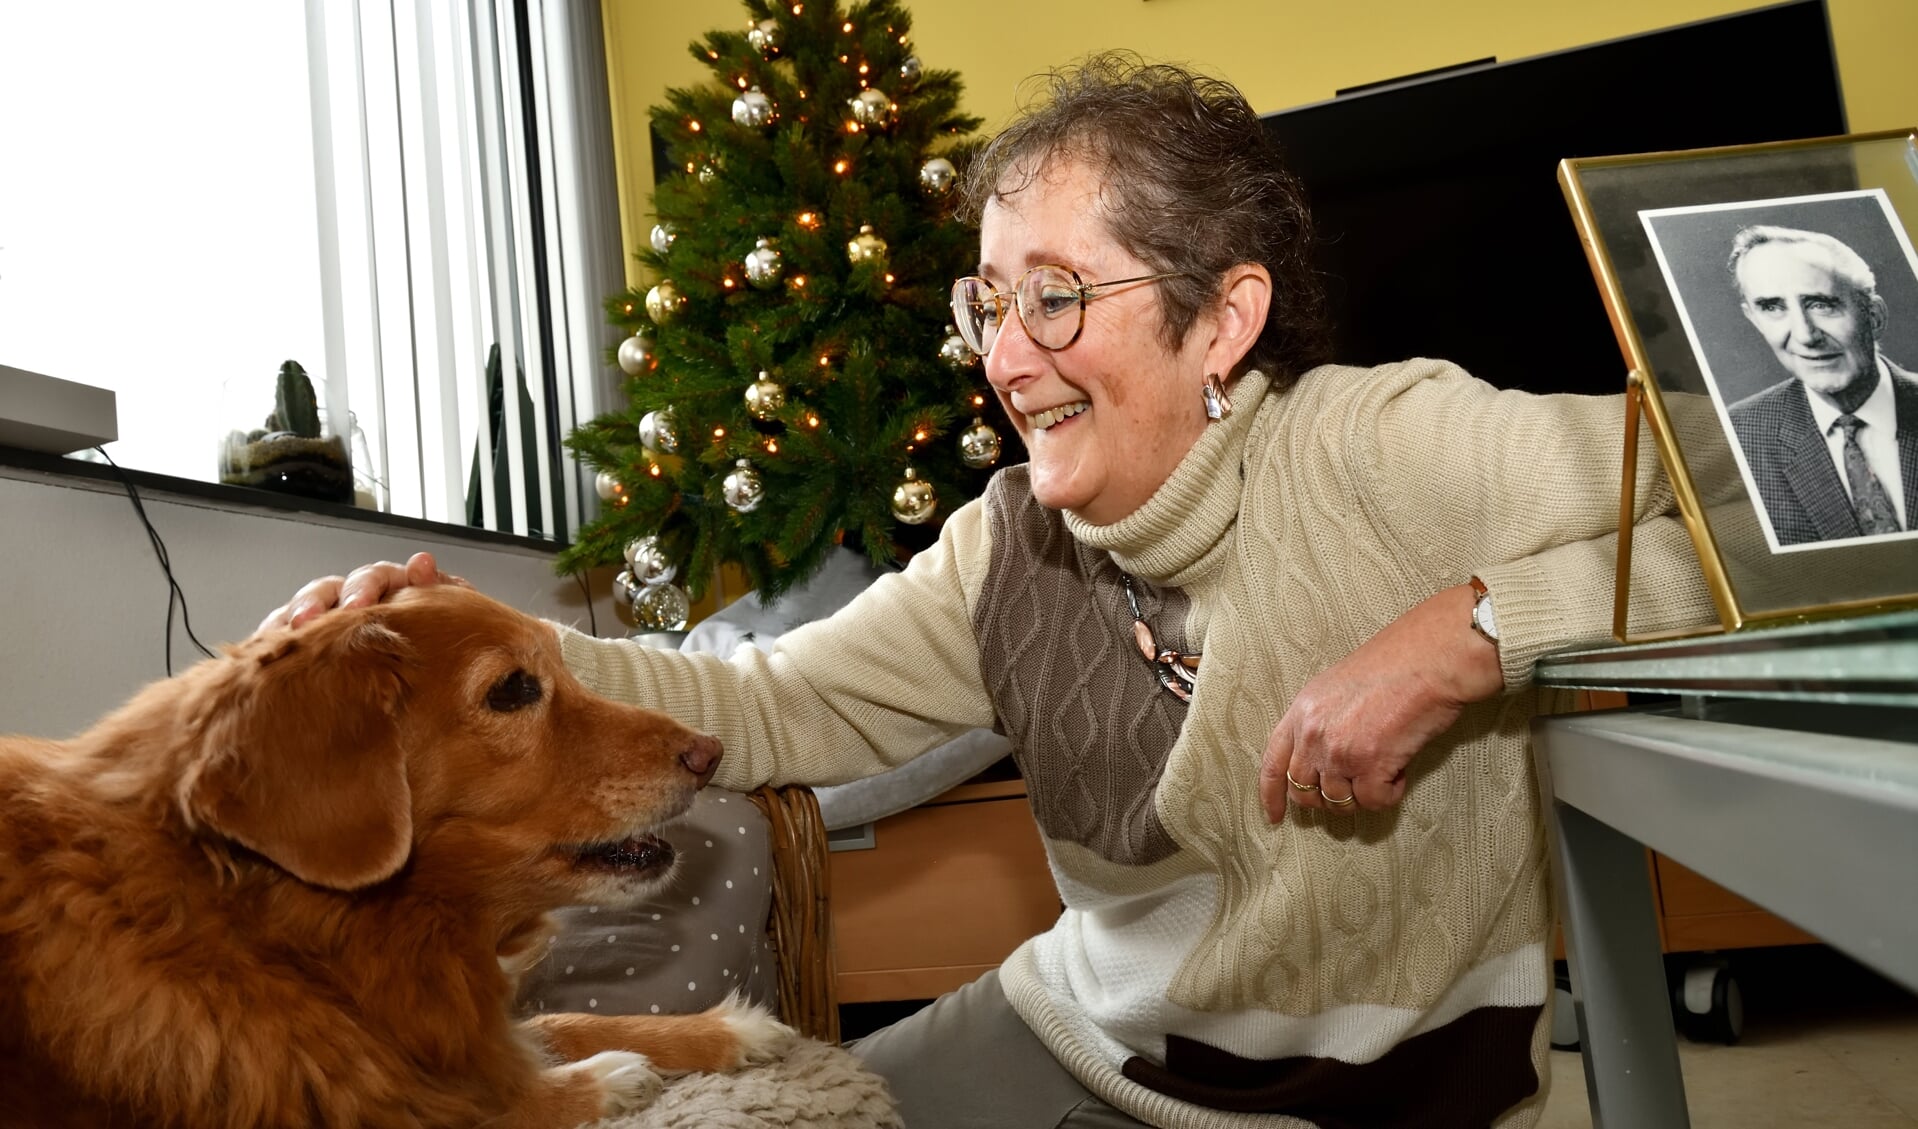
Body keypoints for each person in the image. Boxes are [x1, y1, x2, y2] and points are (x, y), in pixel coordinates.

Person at [265, 55, 1716, 1129]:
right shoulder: (1006, 542)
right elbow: (772, 701)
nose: (1006, 358)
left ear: (1224, 317)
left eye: (1056, 297)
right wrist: (489, 635)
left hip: (1375, 1099)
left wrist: (1465, 630)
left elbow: (1773, 508)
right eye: (988, 302)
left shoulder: (1381, 448)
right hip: (1077, 1035)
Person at [1725, 224, 1918, 545]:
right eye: (1773, 307)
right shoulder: (1739, 435)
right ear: (1754, 319)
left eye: (1821, 304)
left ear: (1874, 316)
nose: (1804, 335)